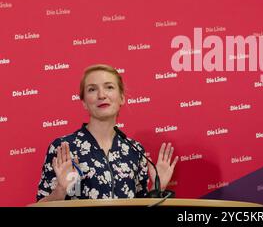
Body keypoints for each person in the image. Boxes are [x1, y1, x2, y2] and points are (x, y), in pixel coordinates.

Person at [36, 64, 178, 201]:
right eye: (92, 89)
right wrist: (61, 190)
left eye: (109, 87)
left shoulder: (134, 150)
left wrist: (158, 186)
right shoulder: (64, 148)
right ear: (84, 102)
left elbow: (142, 204)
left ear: (122, 98)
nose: (101, 95)